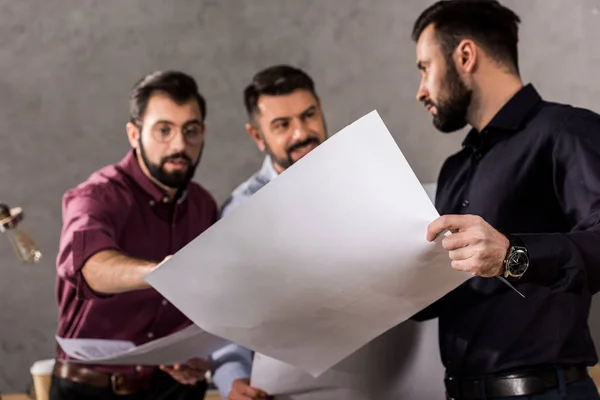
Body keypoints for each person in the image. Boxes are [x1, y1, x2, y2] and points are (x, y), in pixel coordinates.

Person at [411, 1, 600, 399]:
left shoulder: (566, 130)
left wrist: (513, 253)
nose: (421, 90)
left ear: (465, 55)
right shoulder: (454, 169)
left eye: (425, 67)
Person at [51, 70, 217, 400]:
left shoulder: (203, 206)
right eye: (164, 131)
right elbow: (89, 266)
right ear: (133, 134)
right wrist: (161, 273)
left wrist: (196, 357)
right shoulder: (96, 196)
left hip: (173, 388)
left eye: (191, 131)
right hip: (91, 391)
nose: (179, 145)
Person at [209, 64, 328, 400]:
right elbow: (225, 318)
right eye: (282, 125)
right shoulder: (239, 214)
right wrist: (234, 382)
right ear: (257, 136)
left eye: (309, 115)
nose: (301, 133)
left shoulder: (371, 181)